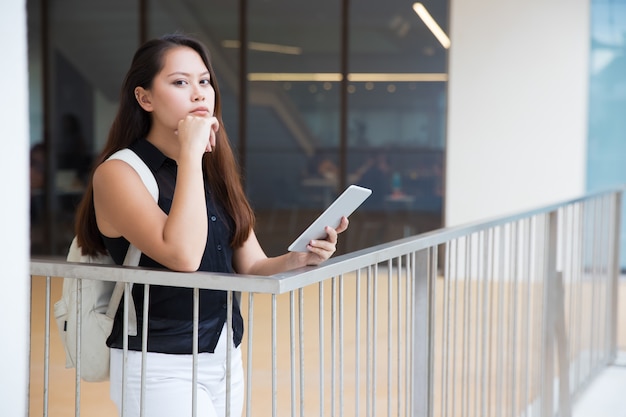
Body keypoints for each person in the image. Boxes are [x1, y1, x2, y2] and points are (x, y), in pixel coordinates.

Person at [73, 33, 349, 417]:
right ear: (145, 98)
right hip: (158, 360)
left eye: (204, 81)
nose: (200, 93)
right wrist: (189, 151)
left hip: (223, 350)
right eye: (180, 82)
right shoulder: (119, 173)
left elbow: (251, 265)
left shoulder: (211, 170)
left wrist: (301, 257)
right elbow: (183, 256)